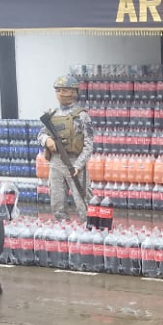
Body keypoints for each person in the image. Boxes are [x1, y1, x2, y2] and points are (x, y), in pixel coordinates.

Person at [38, 75, 94, 221]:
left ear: (74, 92)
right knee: (57, 200)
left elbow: (89, 145)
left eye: (65, 90)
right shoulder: (51, 115)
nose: (61, 94)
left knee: (83, 200)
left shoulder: (82, 116)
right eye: (58, 90)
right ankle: (62, 228)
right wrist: (47, 140)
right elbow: (41, 134)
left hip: (75, 162)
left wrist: (78, 165)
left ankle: (89, 229)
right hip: (56, 162)